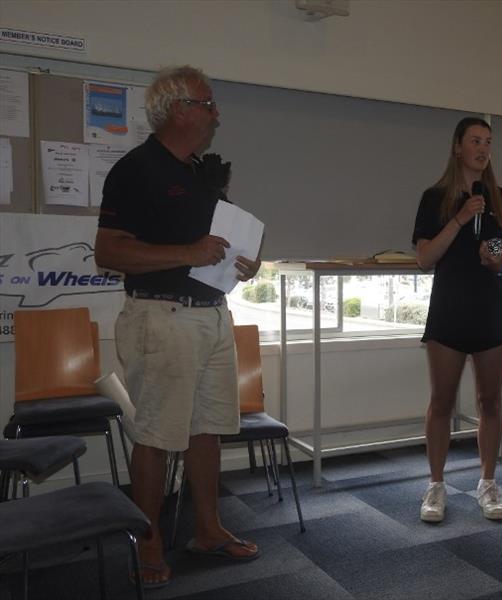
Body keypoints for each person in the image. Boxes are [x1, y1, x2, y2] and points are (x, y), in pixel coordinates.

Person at [94, 66, 261, 588]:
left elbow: (220, 239)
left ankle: (207, 528)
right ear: (178, 109)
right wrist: (187, 252)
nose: (216, 116)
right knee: (157, 435)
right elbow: (108, 251)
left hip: (212, 316)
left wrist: (245, 260)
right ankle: (147, 542)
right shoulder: (134, 169)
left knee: (207, 428)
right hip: (160, 316)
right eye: (208, 105)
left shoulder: (199, 173)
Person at [412, 117, 502, 522]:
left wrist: (500, 263)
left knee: (490, 402)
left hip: (492, 309)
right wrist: (460, 218)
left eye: (488, 142)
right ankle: (436, 485)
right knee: (441, 402)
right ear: (458, 147)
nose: (482, 148)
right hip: (449, 308)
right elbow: (425, 258)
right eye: (475, 141)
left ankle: (488, 482)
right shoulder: (435, 198)